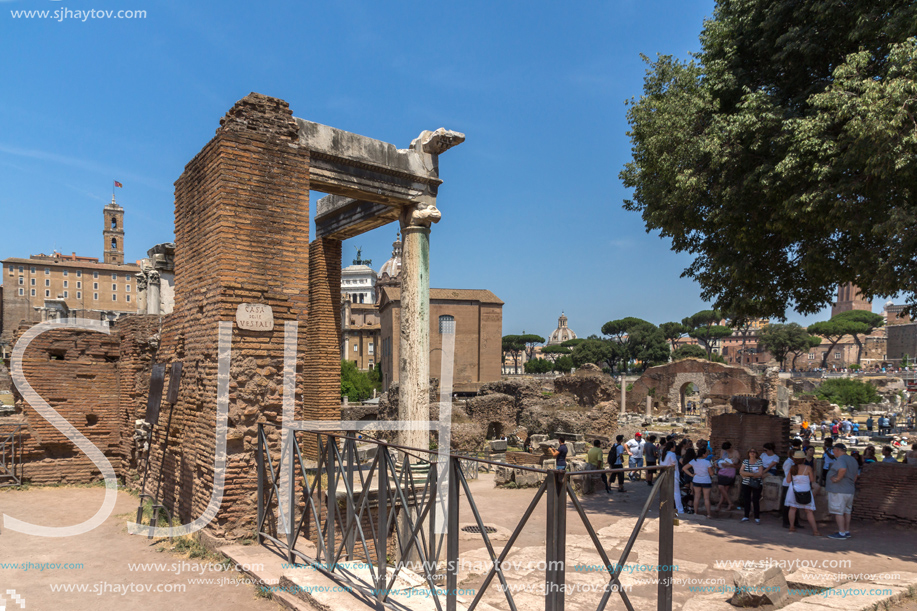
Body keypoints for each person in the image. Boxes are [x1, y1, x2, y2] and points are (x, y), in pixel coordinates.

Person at [826, 443, 859, 540]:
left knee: (838, 511)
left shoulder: (841, 459)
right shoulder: (852, 459)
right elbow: (855, 475)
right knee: (847, 511)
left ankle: (841, 532)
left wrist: (837, 479)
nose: (833, 453)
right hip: (849, 489)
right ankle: (846, 531)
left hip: (839, 490)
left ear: (837, 450)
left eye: (834, 450)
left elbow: (843, 469)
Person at [784, 451, 821, 536]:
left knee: (793, 509)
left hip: (793, 491)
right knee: (809, 511)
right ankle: (815, 531)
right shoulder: (807, 468)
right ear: (804, 459)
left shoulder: (792, 468)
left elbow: (788, 480)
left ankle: (791, 527)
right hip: (805, 490)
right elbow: (812, 480)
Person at [684, 446, 715, 519]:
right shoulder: (707, 462)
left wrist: (691, 474)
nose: (707, 455)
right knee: (706, 498)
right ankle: (708, 514)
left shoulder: (694, 461)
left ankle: (695, 512)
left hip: (696, 480)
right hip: (706, 480)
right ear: (703, 454)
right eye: (706, 453)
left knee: (696, 497)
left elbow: (684, 468)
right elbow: (711, 474)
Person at [739, 448, 765, 523]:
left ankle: (757, 517)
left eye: (754, 451)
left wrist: (747, 474)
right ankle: (746, 516)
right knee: (746, 500)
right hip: (746, 483)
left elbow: (760, 473)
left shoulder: (759, 462)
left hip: (757, 483)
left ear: (756, 453)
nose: (752, 453)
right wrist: (753, 474)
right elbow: (741, 471)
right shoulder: (745, 461)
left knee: (755, 500)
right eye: (751, 451)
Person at [660, 440, 685, 514]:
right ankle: (680, 509)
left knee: (667, 492)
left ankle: (667, 507)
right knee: (676, 493)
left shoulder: (663, 454)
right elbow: (673, 462)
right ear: (672, 447)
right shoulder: (672, 454)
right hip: (673, 474)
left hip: (665, 474)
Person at [715, 441, 738, 512]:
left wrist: (729, 465)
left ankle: (720, 504)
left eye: (728, 449)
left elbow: (737, 464)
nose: (726, 451)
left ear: (731, 447)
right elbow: (720, 459)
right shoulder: (723, 451)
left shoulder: (736, 453)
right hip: (722, 471)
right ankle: (730, 503)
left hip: (730, 472)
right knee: (721, 487)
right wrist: (717, 464)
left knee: (725, 489)